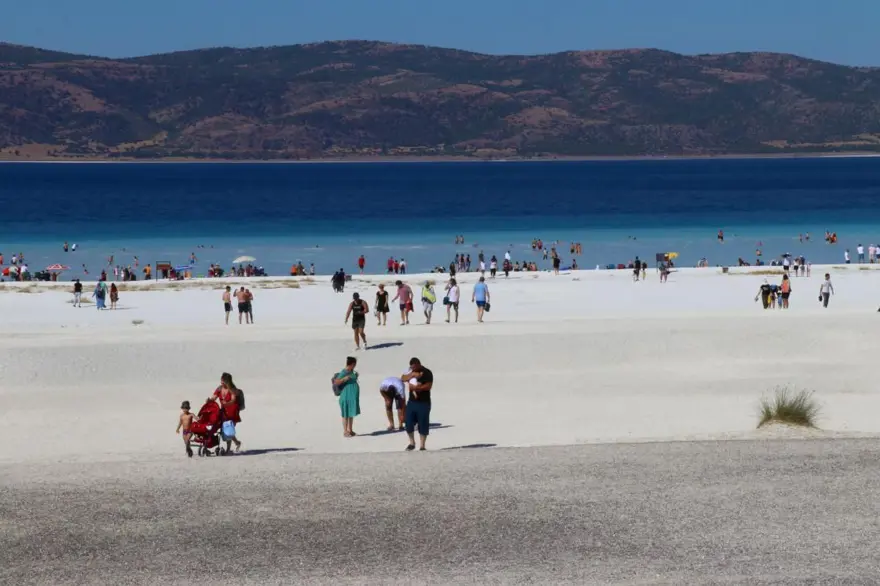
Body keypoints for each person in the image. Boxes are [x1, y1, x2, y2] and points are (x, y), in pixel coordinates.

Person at [403, 357, 433, 451]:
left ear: (419, 365)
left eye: (414, 368)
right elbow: (403, 378)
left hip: (423, 402)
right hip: (412, 402)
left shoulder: (427, 372)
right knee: (408, 422)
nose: (413, 369)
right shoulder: (411, 372)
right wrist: (411, 375)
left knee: (423, 423)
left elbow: (429, 386)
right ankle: (412, 443)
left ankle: (422, 445)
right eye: (411, 368)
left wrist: (417, 388)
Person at [213, 372, 242, 454]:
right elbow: (214, 397)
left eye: (223, 380)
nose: (221, 382)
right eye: (221, 380)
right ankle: (237, 443)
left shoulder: (232, 389)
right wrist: (210, 400)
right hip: (223, 412)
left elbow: (233, 400)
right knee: (225, 431)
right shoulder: (219, 388)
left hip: (232, 412)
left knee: (228, 429)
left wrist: (227, 403)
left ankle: (228, 449)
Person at [333, 356, 361, 437]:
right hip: (346, 396)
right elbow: (336, 382)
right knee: (345, 414)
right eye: (354, 364)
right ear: (352, 364)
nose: (355, 366)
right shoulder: (344, 372)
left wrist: (356, 376)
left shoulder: (352, 371)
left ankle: (350, 430)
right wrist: (344, 379)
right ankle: (345, 431)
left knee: (351, 413)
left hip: (351, 396)